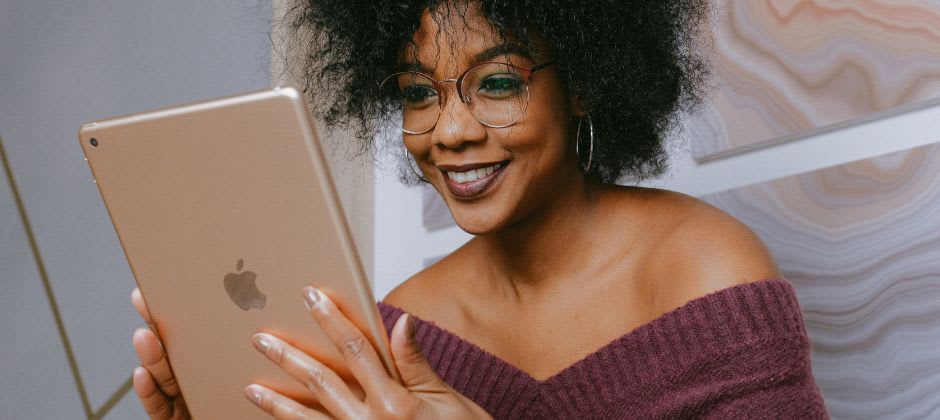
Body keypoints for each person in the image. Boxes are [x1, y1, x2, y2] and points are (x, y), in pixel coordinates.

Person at [130, 1, 830, 418]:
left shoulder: (704, 275)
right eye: (418, 92)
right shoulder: (398, 332)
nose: (451, 130)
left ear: (582, 85)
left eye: (497, 83)